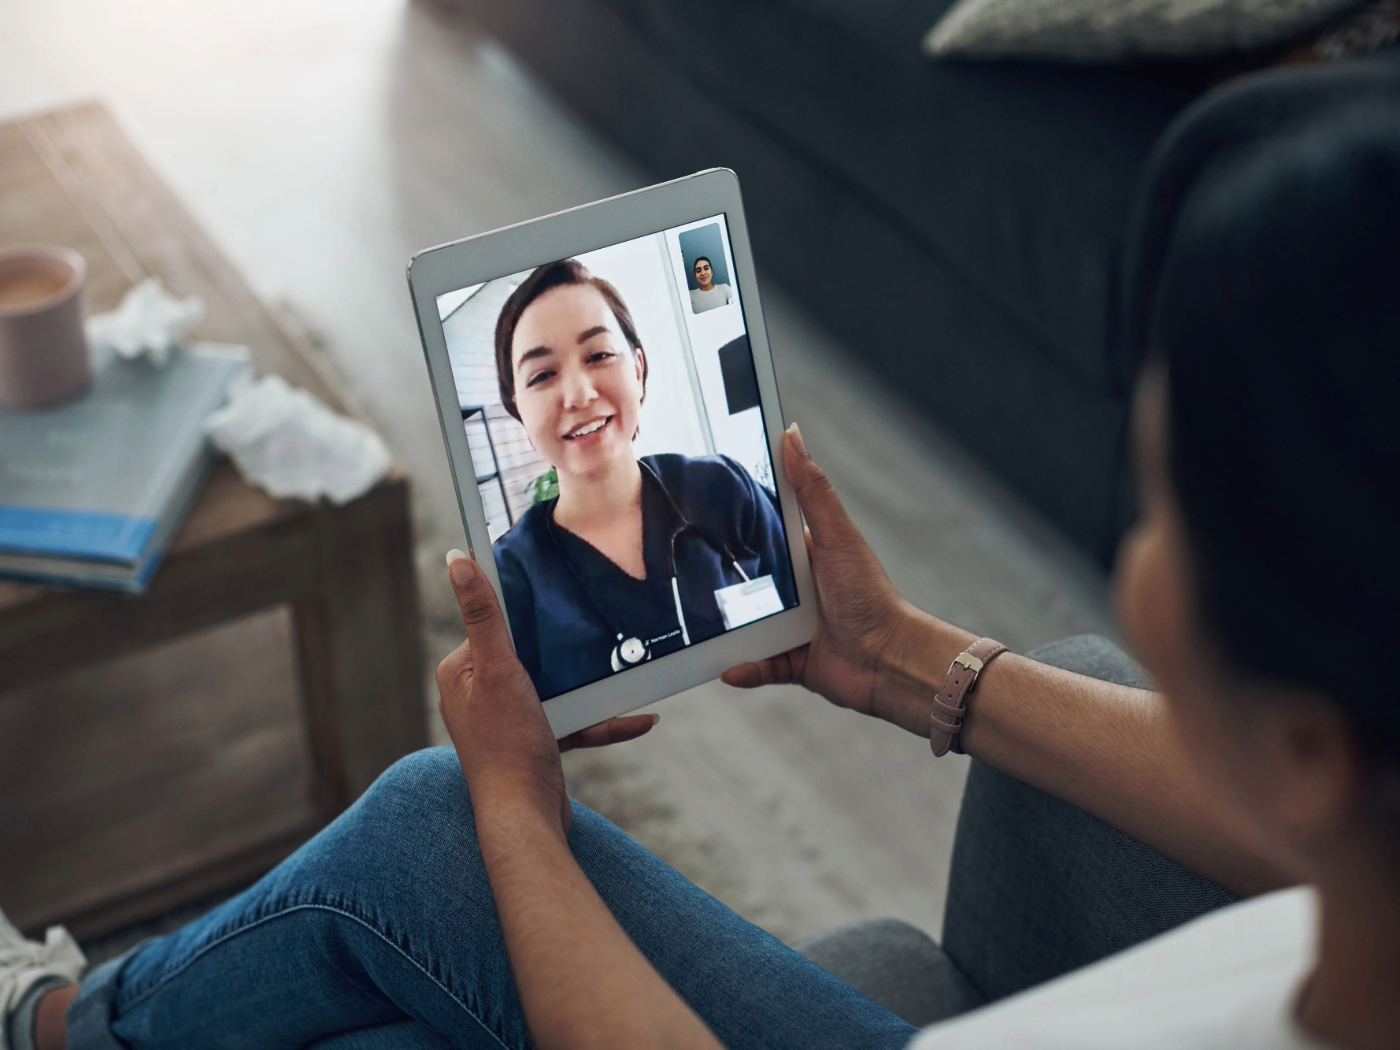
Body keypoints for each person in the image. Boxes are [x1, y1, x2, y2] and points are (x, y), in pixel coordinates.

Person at [6, 54, 1400, 1050]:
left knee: (437, 825)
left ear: (1314, 749)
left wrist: (507, 800)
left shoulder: (709, 488)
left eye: (1167, 521)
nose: (1139, 566)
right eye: (539, 368)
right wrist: (907, 656)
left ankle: (52, 1024)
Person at [489, 259, 796, 699]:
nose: (578, 395)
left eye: (598, 355)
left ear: (637, 368)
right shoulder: (510, 575)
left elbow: (806, 627)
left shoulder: (722, 489)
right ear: (518, 409)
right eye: (542, 375)